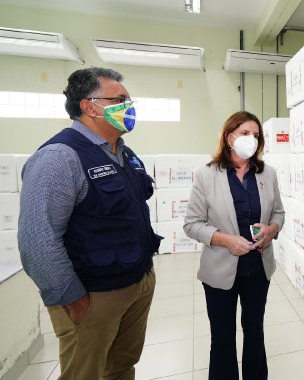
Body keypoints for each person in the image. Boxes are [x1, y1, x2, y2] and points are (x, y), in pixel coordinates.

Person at [18, 67, 161, 379]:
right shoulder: (58, 157)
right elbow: (37, 242)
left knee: (121, 366)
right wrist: (72, 299)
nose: (129, 107)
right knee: (85, 374)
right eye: (119, 100)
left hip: (136, 282)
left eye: (129, 100)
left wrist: (146, 278)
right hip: (92, 295)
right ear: (90, 106)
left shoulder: (124, 154)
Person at [184, 111, 284, 380]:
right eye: (244, 133)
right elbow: (192, 224)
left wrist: (271, 230)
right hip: (219, 271)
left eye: (256, 135)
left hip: (257, 268)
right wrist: (226, 240)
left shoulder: (267, 173)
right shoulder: (207, 175)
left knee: (255, 332)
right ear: (229, 137)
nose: (252, 139)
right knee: (222, 337)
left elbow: (278, 213)